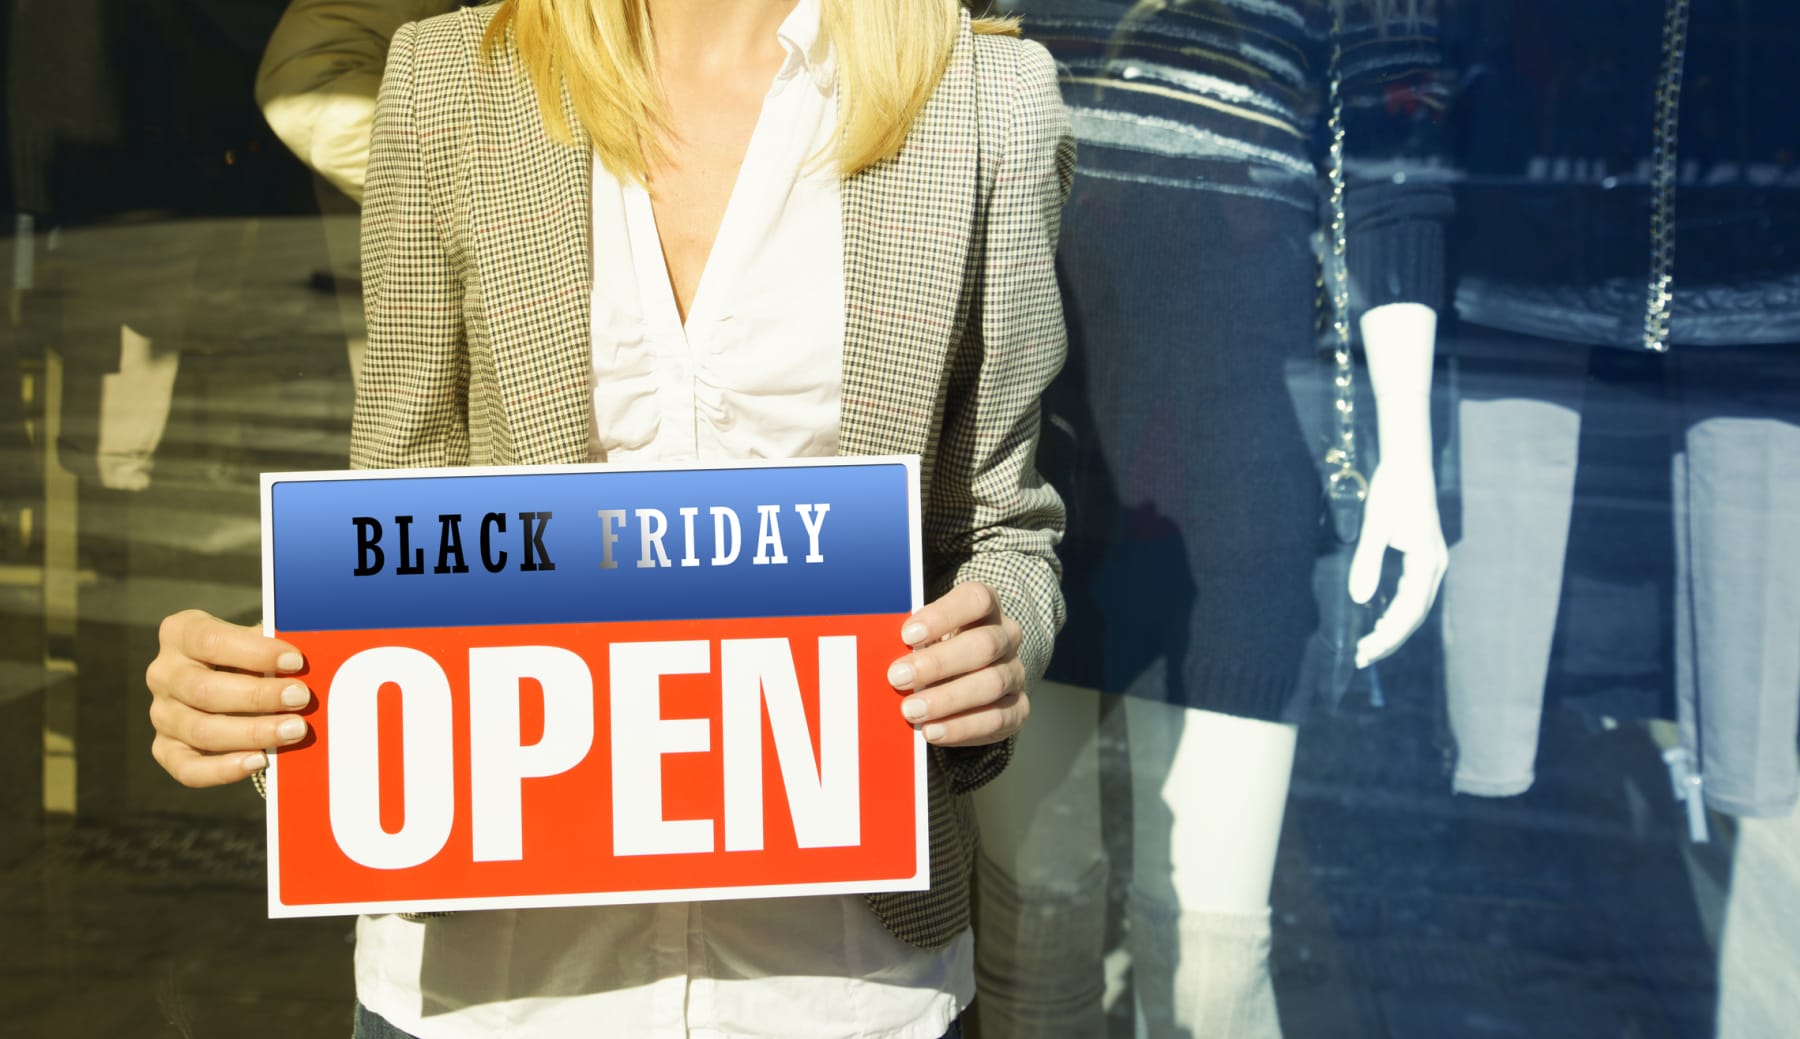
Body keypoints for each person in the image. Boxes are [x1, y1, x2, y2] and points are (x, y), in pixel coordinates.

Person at [142, 0, 1073, 1035]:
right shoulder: (451, 77)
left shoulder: (984, 98)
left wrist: (994, 645)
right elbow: (400, 523)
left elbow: (1003, 528)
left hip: (839, 983)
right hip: (487, 989)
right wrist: (270, 713)